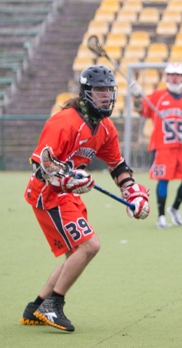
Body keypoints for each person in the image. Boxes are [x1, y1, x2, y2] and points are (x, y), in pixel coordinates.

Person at [20, 65, 150, 332]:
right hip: (49, 195)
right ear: (86, 92)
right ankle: (53, 305)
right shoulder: (64, 121)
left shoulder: (105, 127)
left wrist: (132, 193)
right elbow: (39, 166)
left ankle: (36, 307)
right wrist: (65, 178)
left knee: (76, 253)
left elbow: (118, 166)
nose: (105, 97)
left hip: (68, 196)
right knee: (89, 246)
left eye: (108, 91)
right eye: (100, 91)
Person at [131, 62, 182, 229]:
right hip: (163, 147)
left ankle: (175, 208)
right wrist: (135, 97)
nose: (174, 79)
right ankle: (161, 215)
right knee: (163, 179)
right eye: (171, 75)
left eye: (178, 76)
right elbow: (142, 110)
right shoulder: (158, 96)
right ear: (166, 76)